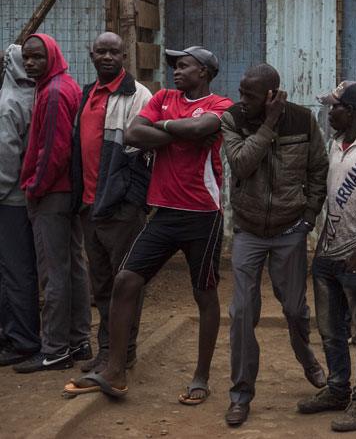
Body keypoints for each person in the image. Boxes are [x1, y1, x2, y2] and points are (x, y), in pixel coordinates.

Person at [70, 46, 232, 402]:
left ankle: (201, 376)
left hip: (202, 215)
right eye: (175, 65)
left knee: (204, 294)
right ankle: (115, 369)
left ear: (204, 72)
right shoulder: (163, 97)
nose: (176, 70)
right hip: (163, 213)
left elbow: (204, 126)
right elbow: (132, 134)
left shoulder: (222, 105)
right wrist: (179, 131)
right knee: (126, 281)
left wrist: (162, 129)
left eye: (184, 65)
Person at [221, 64, 328, 426]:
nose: (241, 100)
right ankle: (240, 394)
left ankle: (308, 361)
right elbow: (241, 163)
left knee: (295, 309)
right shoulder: (233, 119)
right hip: (249, 230)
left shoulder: (302, 120)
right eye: (241, 92)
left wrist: (310, 214)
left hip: (289, 229)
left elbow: (318, 168)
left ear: (270, 95)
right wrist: (268, 125)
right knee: (241, 313)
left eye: (249, 95)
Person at [297, 80, 356, 433]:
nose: (329, 111)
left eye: (334, 106)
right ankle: (338, 390)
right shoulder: (335, 144)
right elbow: (331, 195)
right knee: (330, 330)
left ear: (350, 111)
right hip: (328, 254)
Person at [69, 32, 153, 375]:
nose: (107, 56)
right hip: (91, 207)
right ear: (91, 55)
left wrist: (132, 202)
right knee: (102, 284)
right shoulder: (86, 94)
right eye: (101, 51)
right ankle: (107, 350)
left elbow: (146, 155)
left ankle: (123, 353)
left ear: (124, 57)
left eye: (113, 52)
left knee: (126, 283)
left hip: (121, 210)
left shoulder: (138, 95)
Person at [13, 34, 90, 373]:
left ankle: (56, 349)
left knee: (53, 272)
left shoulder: (55, 92)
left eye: (37, 57)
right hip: (66, 192)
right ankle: (79, 341)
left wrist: (34, 187)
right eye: (27, 58)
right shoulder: (61, 85)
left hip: (52, 194)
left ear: (52, 56)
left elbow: (53, 151)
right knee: (73, 266)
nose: (30, 63)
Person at [0, 44, 40, 367]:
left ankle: (23, 339)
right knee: (24, 267)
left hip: (8, 199)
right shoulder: (36, 96)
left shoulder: (9, 102)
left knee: (14, 270)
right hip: (28, 196)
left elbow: (6, 159)